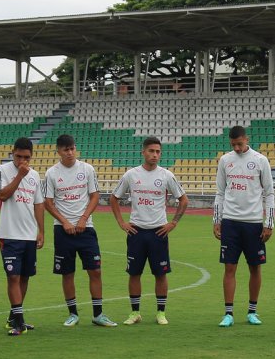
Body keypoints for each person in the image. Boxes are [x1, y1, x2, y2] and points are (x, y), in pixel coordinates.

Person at [110, 137, 188, 325]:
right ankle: (135, 312)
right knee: (134, 273)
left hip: (158, 232)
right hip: (136, 232)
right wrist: (122, 222)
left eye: (158, 152)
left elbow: (183, 200)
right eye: (151, 151)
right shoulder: (131, 175)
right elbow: (114, 198)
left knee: (160, 273)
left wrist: (173, 223)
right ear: (143, 152)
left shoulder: (166, 175)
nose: (155, 155)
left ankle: (161, 312)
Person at [43, 134, 118, 327]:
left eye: (72, 149)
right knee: (67, 273)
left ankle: (98, 314)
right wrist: (65, 222)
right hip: (62, 230)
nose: (70, 153)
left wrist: (83, 218)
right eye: (65, 150)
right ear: (58, 151)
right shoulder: (51, 173)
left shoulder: (87, 169)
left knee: (96, 271)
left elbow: (94, 196)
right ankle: (73, 314)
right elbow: (48, 203)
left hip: (86, 229)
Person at [213, 126, 275, 327]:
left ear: (246, 139)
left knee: (255, 268)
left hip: (253, 223)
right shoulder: (225, 160)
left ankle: (252, 311)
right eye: (233, 145)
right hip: (230, 222)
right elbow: (220, 192)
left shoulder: (260, 160)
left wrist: (269, 223)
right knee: (229, 267)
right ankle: (228, 313)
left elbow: (269, 193)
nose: (237, 148)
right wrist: (217, 219)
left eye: (240, 144)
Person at [0, 137, 45, 336]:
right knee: (12, 276)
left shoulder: (34, 175)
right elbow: (2, 195)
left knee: (24, 277)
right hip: (9, 233)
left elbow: (38, 204)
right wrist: (19, 177)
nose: (23, 161)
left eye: (27, 158)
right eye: (19, 156)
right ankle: (19, 322)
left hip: (29, 234)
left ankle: (14, 318)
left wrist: (41, 231)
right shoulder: (2, 170)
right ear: (12, 153)